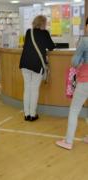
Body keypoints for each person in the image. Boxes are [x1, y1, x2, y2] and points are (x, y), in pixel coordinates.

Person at [56, 17, 88, 150]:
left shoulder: (85, 41)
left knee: (74, 109)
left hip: (85, 79)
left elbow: (74, 62)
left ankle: (68, 141)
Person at [19, 15, 55, 121]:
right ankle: (32, 114)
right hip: (37, 64)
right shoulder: (45, 33)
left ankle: (26, 114)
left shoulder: (28, 32)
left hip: (25, 63)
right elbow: (52, 47)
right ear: (43, 23)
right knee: (34, 90)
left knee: (27, 88)